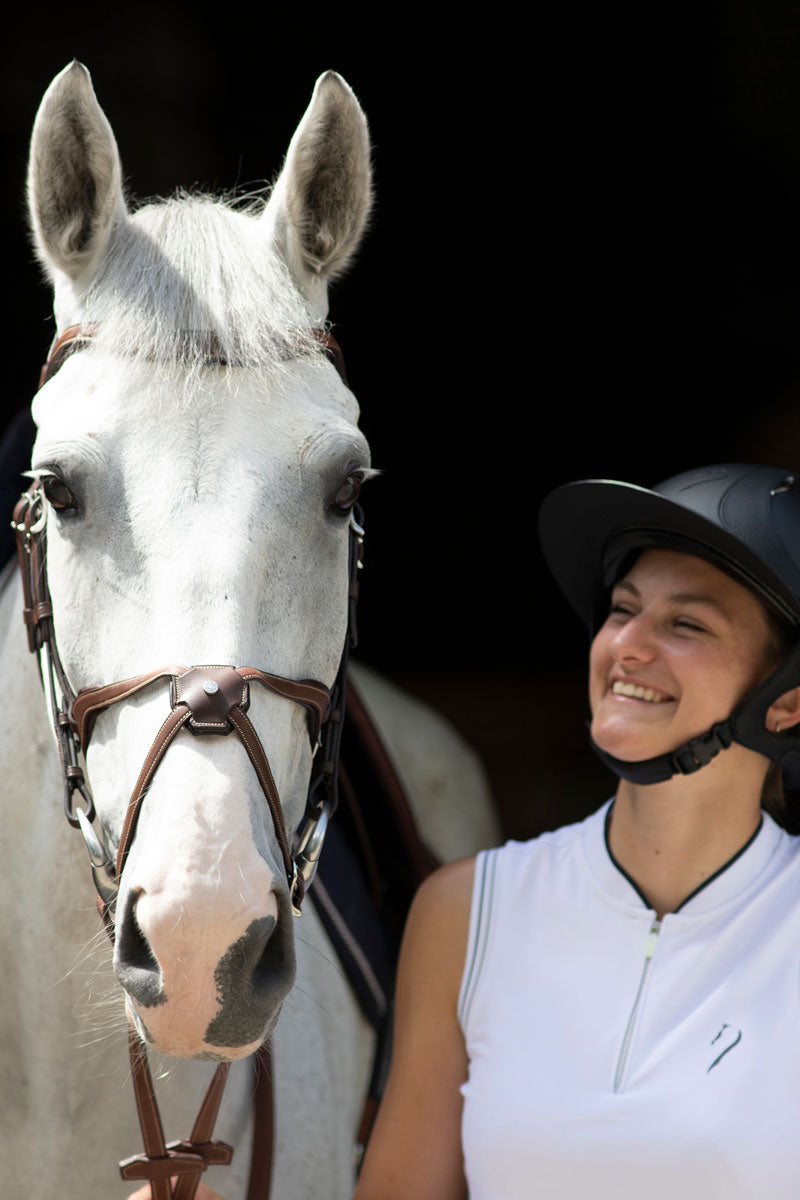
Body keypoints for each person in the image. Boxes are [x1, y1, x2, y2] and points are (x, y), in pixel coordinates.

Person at [353, 463, 800, 1200]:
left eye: (686, 623)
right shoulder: (466, 912)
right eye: (623, 609)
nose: (627, 644)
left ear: (787, 703)